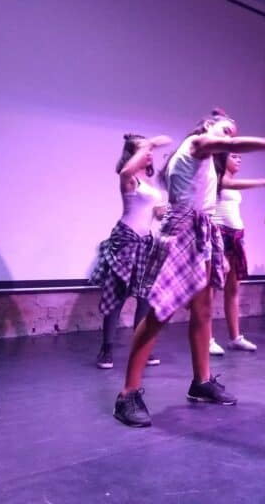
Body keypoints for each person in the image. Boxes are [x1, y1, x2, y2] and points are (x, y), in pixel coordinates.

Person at [112, 109, 265, 427]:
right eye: (226, 128)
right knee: (160, 311)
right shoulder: (197, 142)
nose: (229, 135)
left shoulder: (204, 158)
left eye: (233, 130)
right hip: (183, 231)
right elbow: (235, 144)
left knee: (202, 310)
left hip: (202, 229)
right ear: (209, 126)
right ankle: (127, 394)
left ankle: (201, 381)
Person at [90, 133, 170, 369]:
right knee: (117, 296)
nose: (149, 154)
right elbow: (125, 171)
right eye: (143, 150)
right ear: (131, 154)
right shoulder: (128, 178)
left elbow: (155, 214)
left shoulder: (148, 182)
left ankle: (142, 346)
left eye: (150, 151)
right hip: (126, 240)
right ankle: (106, 349)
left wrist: (167, 211)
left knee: (145, 298)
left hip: (146, 243)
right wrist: (152, 142)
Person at [209, 151, 265, 354]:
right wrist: (263, 181)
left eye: (240, 157)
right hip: (219, 234)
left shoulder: (232, 180)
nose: (238, 160)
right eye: (234, 156)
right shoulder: (216, 178)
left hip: (236, 235)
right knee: (212, 289)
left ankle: (235, 337)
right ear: (223, 158)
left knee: (233, 288)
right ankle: (208, 338)